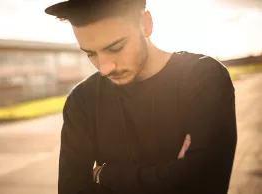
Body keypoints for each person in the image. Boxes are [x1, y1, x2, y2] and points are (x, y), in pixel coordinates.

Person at [44, 0, 237, 193]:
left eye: (116, 48)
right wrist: (174, 176)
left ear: (146, 24)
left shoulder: (204, 77)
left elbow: (206, 183)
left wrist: (106, 175)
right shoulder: (82, 100)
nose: (104, 68)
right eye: (90, 54)